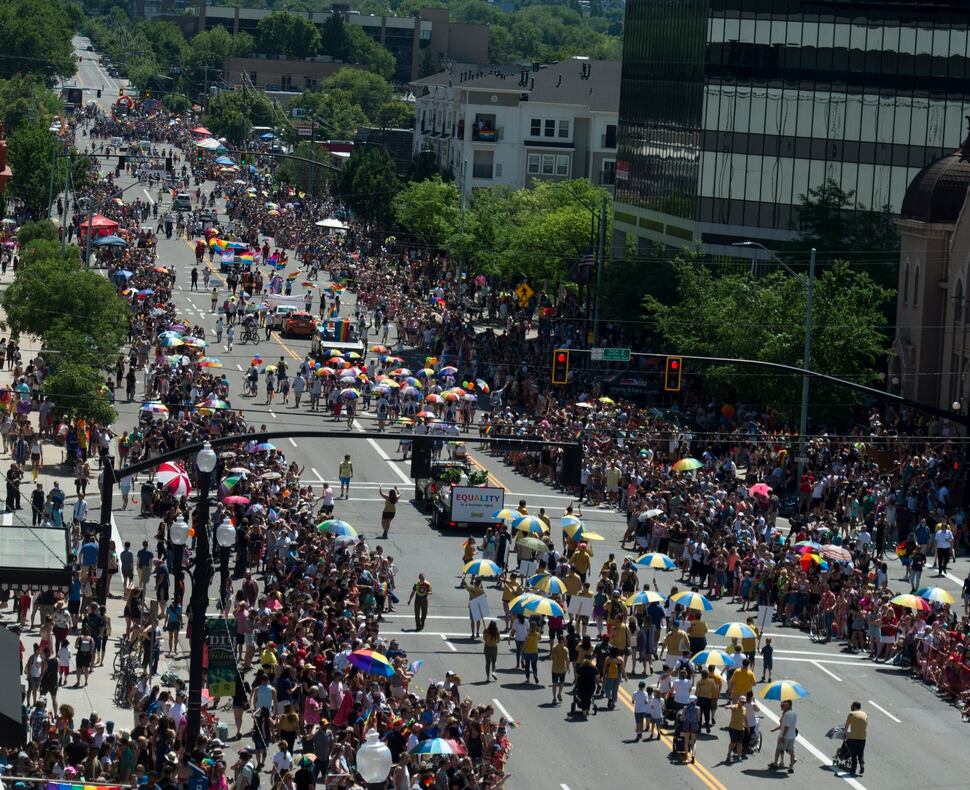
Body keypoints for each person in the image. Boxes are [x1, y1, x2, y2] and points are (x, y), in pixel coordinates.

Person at [769, 699, 797, 773]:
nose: (783, 706)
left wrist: (783, 737)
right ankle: (791, 767)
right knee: (791, 751)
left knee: (778, 749)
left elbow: (786, 727)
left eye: (784, 705)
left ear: (788, 705)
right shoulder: (794, 713)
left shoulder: (787, 714)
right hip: (792, 736)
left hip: (785, 736)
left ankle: (775, 763)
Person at [844, 700, 867, 776]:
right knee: (861, 752)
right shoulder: (865, 714)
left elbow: (846, 726)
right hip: (862, 738)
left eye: (851, 706)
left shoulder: (851, 714)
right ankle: (862, 764)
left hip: (852, 737)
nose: (851, 707)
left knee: (853, 754)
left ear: (854, 706)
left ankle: (853, 770)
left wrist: (846, 734)